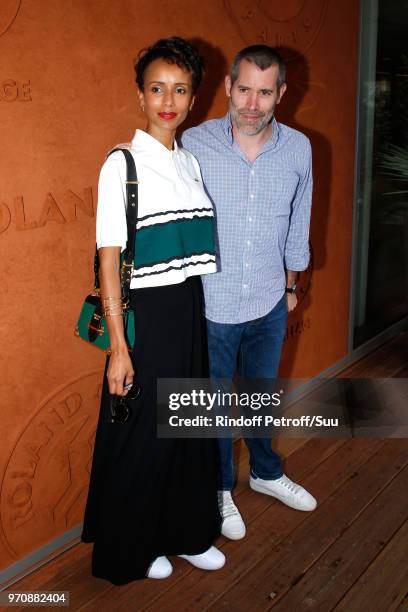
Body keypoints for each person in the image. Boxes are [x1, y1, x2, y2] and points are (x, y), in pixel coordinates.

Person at [82, 37, 225, 584]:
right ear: (140, 94)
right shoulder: (122, 165)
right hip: (144, 312)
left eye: (180, 89)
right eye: (157, 87)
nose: (168, 99)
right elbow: (109, 260)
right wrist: (119, 347)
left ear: (194, 98)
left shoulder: (188, 161)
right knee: (144, 434)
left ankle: (186, 532)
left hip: (188, 304)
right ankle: (133, 547)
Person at [181, 45, 317, 541]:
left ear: (281, 92)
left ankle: (265, 472)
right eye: (245, 90)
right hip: (212, 304)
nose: (253, 104)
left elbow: (298, 219)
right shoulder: (194, 144)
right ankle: (220, 488)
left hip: (268, 299)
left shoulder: (299, 148)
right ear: (228, 88)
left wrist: (290, 283)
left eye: (265, 91)